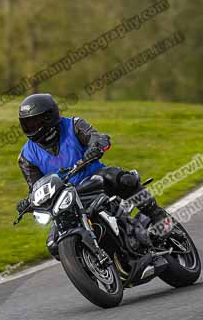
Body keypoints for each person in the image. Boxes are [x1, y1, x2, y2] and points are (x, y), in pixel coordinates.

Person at [14, 93, 170, 257]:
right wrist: (30, 202)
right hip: (65, 200)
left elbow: (97, 137)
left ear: (49, 117)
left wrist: (96, 147)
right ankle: (90, 265)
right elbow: (36, 186)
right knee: (54, 245)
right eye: (27, 124)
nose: (31, 128)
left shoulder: (73, 125)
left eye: (35, 122)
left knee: (123, 179)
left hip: (94, 179)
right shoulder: (26, 156)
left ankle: (158, 216)